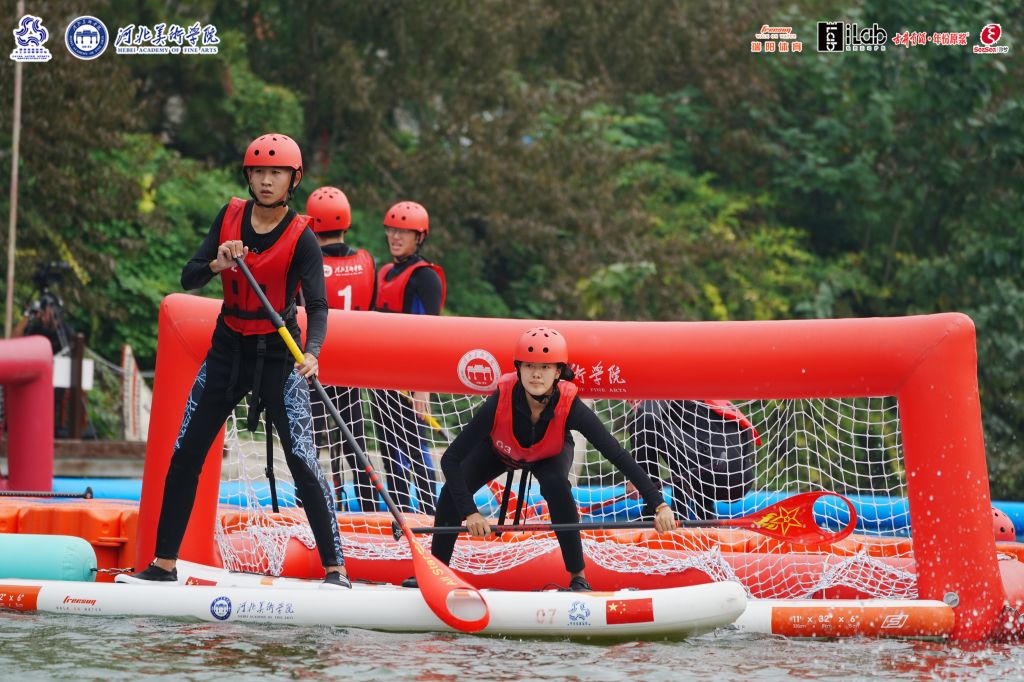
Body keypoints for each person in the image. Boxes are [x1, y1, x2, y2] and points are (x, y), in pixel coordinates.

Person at [117, 133, 350, 589]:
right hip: (227, 350)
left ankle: (336, 570)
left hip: (280, 356)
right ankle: (164, 564)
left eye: (276, 173)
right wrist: (218, 263)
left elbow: (318, 305)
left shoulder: (303, 237)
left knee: (302, 460)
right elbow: (189, 276)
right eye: (259, 172)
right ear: (248, 176)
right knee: (186, 453)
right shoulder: (229, 216)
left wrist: (314, 352)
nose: (266, 181)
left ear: (293, 180)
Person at [406, 327, 676, 592]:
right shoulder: (500, 399)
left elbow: (616, 454)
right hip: (500, 450)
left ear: (558, 372)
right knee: (452, 493)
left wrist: (659, 504)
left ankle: (578, 578)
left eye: (545, 367)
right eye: (529, 366)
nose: (536, 374)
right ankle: (435, 570)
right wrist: (471, 512)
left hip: (549, 454)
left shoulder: (571, 405)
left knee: (557, 485)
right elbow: (450, 459)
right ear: (518, 369)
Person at [370, 201, 445, 515]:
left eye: (404, 232)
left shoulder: (425, 277)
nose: (396, 237)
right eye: (392, 230)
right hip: (382, 378)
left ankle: (429, 511)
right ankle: (399, 513)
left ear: (419, 237)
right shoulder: (385, 272)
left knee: (414, 445)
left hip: (411, 379)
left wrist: (422, 386)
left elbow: (432, 333)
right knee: (389, 448)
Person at [305, 186, 377, 511]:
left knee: (308, 445)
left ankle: (307, 509)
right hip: (352, 368)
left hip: (314, 365)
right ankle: (370, 509)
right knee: (355, 444)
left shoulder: (307, 262)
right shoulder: (367, 262)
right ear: (345, 222)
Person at [626, 399, 757, 520]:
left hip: (716, 471)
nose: (630, 402)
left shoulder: (657, 397)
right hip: (743, 478)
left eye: (631, 398)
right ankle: (704, 515)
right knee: (693, 439)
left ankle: (652, 511)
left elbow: (646, 418)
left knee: (641, 422)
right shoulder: (694, 396)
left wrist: (637, 477)